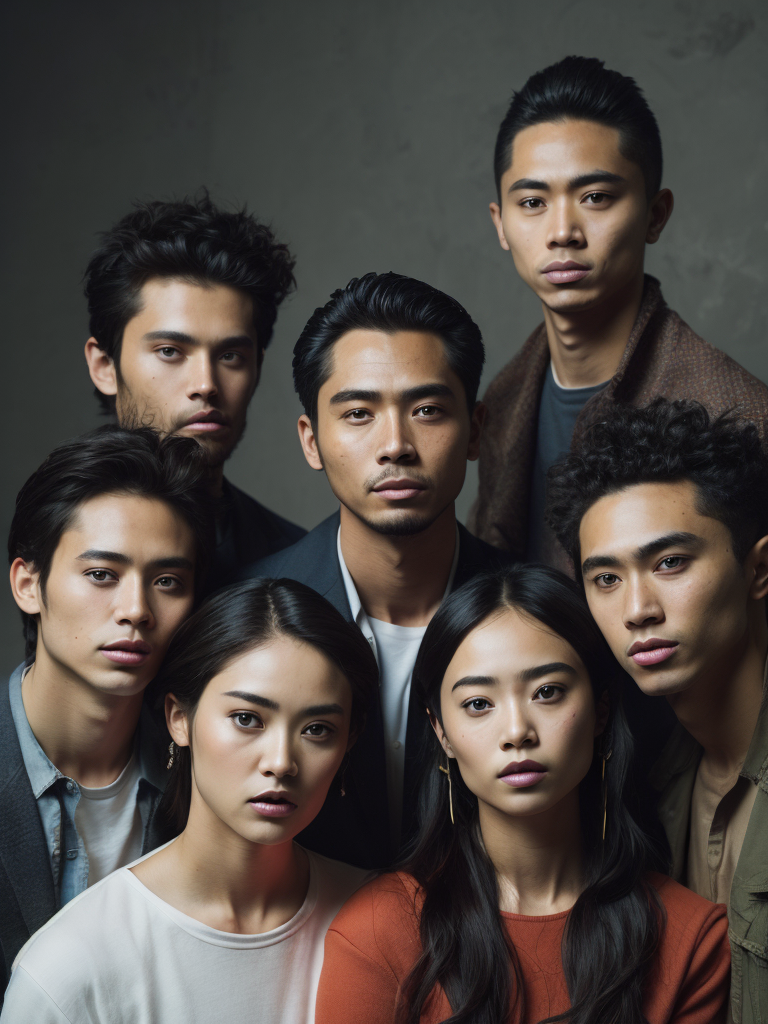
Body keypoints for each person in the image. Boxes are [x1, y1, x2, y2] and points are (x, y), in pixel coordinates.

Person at [316, 565, 730, 1024]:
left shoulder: (689, 937)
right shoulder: (378, 931)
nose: (517, 732)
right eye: (478, 704)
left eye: (547, 692)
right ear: (441, 730)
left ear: (601, 710)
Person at [2, 577, 378, 1024]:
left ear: (348, 741)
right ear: (179, 718)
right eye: (247, 719)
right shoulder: (69, 968)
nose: (281, 762)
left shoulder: (384, 920)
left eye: (317, 730)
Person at [242, 271, 511, 868]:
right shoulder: (241, 615)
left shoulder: (536, 618)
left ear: (476, 431)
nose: (396, 444)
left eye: (427, 410)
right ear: (311, 440)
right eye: (359, 413)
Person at [469, 56, 768, 569]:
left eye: (595, 197)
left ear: (655, 214)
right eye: (533, 202)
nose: (562, 232)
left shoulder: (739, 417)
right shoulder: (502, 400)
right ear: (500, 224)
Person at [546, 399, 768, 1024]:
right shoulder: (638, 783)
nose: (637, 609)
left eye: (670, 563)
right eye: (606, 579)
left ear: (759, 569)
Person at [0, 427, 214, 1000]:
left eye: (167, 581)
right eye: (102, 575)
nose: (137, 610)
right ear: (28, 584)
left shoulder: (206, 779)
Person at [83, 191, 306, 591]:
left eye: (231, 356)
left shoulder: (300, 565)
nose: (206, 384)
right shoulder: (54, 536)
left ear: (257, 367)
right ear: (105, 367)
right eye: (170, 351)